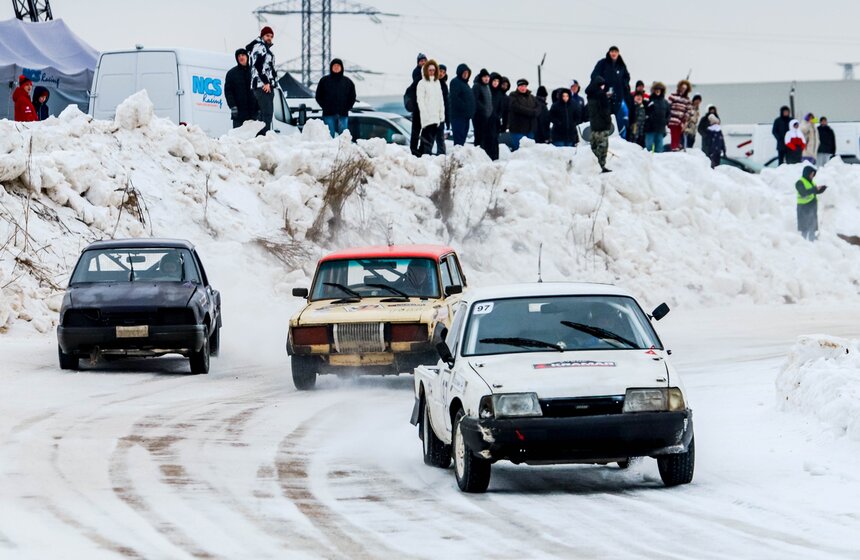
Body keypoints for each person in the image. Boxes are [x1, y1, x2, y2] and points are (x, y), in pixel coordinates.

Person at [591, 46, 630, 139]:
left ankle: (621, 139)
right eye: (612, 51)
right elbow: (594, 75)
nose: (613, 53)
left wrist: (623, 84)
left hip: (618, 98)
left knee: (621, 119)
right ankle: (604, 138)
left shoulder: (621, 65)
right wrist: (600, 84)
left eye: (615, 51)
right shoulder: (603, 63)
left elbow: (626, 77)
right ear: (609, 53)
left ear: (618, 53)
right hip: (604, 97)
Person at [247, 26, 278, 136]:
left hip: (263, 85)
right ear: (262, 36)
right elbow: (258, 66)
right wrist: (266, 82)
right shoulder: (260, 47)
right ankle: (264, 139)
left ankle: (260, 139)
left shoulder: (263, 48)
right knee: (267, 115)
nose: (269, 38)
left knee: (262, 116)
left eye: (271, 36)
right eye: (267, 35)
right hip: (262, 86)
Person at [315, 57, 357, 137]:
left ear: (341, 67)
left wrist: (347, 107)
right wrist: (325, 106)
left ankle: (342, 149)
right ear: (331, 67)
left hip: (343, 114)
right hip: (328, 114)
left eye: (338, 65)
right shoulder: (324, 80)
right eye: (334, 65)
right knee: (329, 136)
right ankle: (329, 149)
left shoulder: (348, 82)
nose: (336, 67)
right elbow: (318, 96)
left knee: (343, 137)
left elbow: (352, 97)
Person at [416, 59, 445, 156]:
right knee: (425, 145)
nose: (432, 72)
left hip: (436, 119)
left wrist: (442, 115)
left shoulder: (437, 83)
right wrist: (425, 116)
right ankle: (422, 161)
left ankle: (427, 162)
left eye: (433, 70)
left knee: (432, 143)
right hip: (428, 119)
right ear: (426, 71)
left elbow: (440, 100)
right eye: (430, 70)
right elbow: (421, 101)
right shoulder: (421, 83)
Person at [224, 48, 259, 129]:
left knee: (254, 140)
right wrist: (233, 106)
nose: (241, 57)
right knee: (238, 139)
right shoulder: (231, 74)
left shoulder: (254, 72)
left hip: (254, 114)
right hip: (239, 115)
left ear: (247, 57)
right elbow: (228, 92)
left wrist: (259, 107)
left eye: (243, 55)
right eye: (239, 56)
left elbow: (259, 90)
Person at [586, 75, 613, 172]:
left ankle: (594, 165)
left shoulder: (590, 96)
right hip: (602, 125)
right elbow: (605, 111)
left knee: (594, 146)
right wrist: (608, 121)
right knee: (603, 146)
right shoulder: (601, 95)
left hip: (594, 125)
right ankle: (601, 165)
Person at [795, 165, 827, 242]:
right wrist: (814, 189)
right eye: (812, 174)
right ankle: (803, 242)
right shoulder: (799, 182)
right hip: (803, 208)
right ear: (807, 173)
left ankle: (812, 241)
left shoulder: (811, 182)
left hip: (811, 207)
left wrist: (821, 189)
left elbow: (813, 192)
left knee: (812, 227)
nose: (813, 176)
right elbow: (803, 192)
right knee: (805, 228)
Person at [508, 79, 540, 151]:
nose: (523, 88)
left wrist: (535, 112)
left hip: (530, 129)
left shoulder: (531, 97)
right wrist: (531, 112)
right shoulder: (513, 96)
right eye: (521, 86)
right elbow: (517, 108)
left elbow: (538, 107)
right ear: (518, 87)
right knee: (519, 151)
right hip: (518, 130)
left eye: (525, 86)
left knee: (530, 151)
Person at [448, 63, 474, 146]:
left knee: (463, 138)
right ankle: (456, 157)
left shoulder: (466, 85)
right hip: (458, 116)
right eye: (464, 73)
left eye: (467, 73)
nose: (466, 75)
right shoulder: (455, 82)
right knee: (459, 139)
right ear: (460, 73)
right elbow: (455, 98)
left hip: (466, 116)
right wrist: (465, 108)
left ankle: (461, 155)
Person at [667, 79, 693, 151]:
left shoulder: (687, 99)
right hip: (673, 119)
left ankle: (677, 147)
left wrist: (685, 120)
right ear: (679, 87)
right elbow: (668, 106)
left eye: (685, 88)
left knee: (679, 135)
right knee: (674, 134)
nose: (683, 90)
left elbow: (689, 110)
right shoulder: (673, 96)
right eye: (682, 88)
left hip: (681, 121)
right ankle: (674, 147)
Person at [644, 82, 669, 153]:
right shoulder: (649, 101)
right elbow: (644, 112)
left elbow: (669, 114)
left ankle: (658, 163)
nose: (658, 91)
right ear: (653, 90)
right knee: (648, 148)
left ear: (662, 90)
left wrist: (666, 121)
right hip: (650, 128)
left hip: (660, 129)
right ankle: (647, 162)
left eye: (659, 89)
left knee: (659, 149)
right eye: (656, 89)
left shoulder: (665, 102)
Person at [485, 73, 504, 160]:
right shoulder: (487, 90)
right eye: (494, 80)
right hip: (487, 120)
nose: (496, 83)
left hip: (496, 121)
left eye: (497, 81)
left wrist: (498, 116)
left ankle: (495, 158)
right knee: (487, 139)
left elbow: (501, 107)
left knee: (495, 140)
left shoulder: (500, 93)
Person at [472, 68, 492, 150]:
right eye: (484, 77)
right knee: (479, 136)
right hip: (479, 116)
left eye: (488, 76)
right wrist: (483, 109)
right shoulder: (477, 86)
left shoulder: (487, 87)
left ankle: (484, 153)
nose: (486, 78)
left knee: (485, 137)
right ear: (481, 77)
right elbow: (475, 100)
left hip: (487, 116)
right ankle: (478, 153)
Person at [434, 64, 450, 154]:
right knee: (430, 138)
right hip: (432, 115)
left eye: (444, 72)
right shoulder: (431, 82)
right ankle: (426, 158)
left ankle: (440, 158)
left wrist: (447, 118)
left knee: (440, 139)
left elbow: (446, 103)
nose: (441, 73)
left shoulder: (444, 85)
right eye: (440, 71)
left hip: (441, 115)